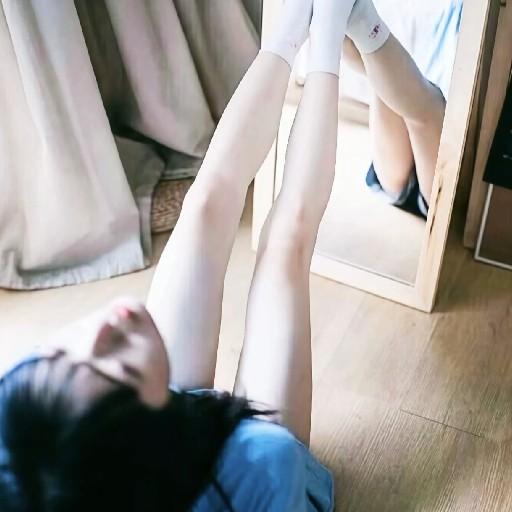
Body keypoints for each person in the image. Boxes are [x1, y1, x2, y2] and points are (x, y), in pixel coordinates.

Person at [0, 0, 373, 510]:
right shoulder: (265, 469)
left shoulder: (22, 430)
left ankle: (286, 38)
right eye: (116, 372)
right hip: (243, 482)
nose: (110, 324)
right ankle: (328, 28)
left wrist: (121, 381)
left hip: (145, 434)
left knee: (205, 204)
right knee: (286, 243)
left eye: (62, 356)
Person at [342, 0, 463, 218]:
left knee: (423, 109)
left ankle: (362, 27)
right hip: (405, 159)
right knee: (405, 100)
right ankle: (361, 32)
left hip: (444, 179)